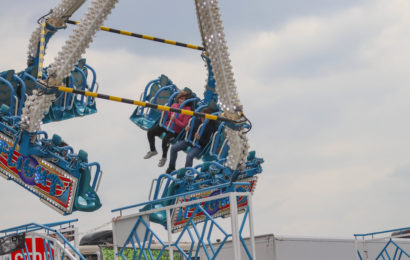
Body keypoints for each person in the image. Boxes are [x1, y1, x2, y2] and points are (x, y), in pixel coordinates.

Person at [144, 91, 192, 167]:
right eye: (180, 98)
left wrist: (175, 120)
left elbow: (183, 125)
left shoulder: (187, 111)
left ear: (186, 101)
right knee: (150, 132)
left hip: (175, 131)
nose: (180, 100)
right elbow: (168, 116)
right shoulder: (174, 105)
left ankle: (164, 157)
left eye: (183, 99)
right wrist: (165, 112)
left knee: (165, 140)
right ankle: (153, 150)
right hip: (167, 126)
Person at [166, 107, 217, 173]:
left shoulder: (211, 128)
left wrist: (199, 139)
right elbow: (188, 132)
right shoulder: (196, 121)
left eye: (205, 117)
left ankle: (187, 173)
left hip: (199, 146)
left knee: (189, 156)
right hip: (189, 141)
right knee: (173, 148)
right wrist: (187, 129)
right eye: (202, 116)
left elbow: (207, 143)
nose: (203, 118)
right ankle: (171, 168)